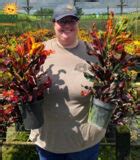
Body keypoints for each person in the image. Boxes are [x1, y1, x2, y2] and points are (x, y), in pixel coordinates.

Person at [29, 3, 114, 160]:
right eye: (62, 21)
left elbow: (109, 86)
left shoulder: (93, 53)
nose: (67, 26)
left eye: (71, 21)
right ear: (54, 23)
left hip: (85, 143)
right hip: (48, 142)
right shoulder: (38, 52)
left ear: (77, 24)